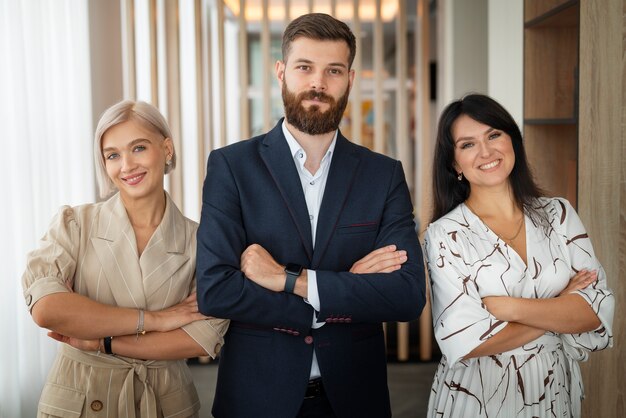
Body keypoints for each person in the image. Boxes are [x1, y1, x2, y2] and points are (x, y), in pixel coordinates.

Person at [196, 13, 425, 418]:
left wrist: (288, 280)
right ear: (281, 72)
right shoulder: (232, 167)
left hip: (355, 400)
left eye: (333, 70)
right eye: (305, 68)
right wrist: (337, 292)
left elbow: (407, 296)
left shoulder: (383, 174)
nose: (318, 83)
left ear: (350, 79)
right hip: (256, 399)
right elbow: (217, 289)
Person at [22, 100, 229, 418]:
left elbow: (202, 339)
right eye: (113, 155)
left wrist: (103, 341)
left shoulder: (200, 241)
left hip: (162, 401)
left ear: (167, 149)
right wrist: (157, 321)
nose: (127, 166)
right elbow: (48, 309)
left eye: (139, 148)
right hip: (81, 396)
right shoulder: (75, 224)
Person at [424, 94, 614, 417]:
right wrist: (559, 307)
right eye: (468, 145)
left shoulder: (559, 214)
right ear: (455, 163)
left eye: (494, 135)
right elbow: (467, 342)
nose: (486, 152)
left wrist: (510, 308)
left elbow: (596, 311)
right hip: (478, 398)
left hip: (556, 394)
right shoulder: (445, 235)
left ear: (512, 139)